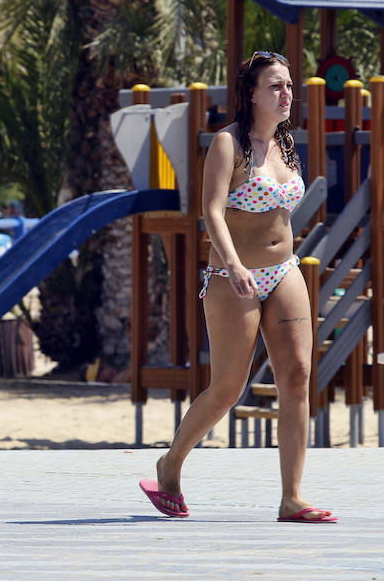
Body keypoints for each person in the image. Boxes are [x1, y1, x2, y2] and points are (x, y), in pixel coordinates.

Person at [140, 51, 336, 523]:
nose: (286, 93)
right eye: (275, 86)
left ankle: (292, 497)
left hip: (283, 270)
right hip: (232, 276)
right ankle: (170, 464)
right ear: (251, 93)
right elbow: (211, 211)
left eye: (288, 85)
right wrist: (234, 264)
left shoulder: (287, 144)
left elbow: (284, 213)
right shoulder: (229, 144)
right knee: (229, 387)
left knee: (297, 375)